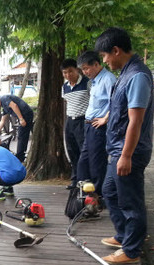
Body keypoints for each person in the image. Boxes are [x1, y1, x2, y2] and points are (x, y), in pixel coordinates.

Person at [95, 27, 154, 265]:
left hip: (129, 151)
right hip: (118, 149)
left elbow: (136, 120)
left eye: (105, 56)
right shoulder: (127, 73)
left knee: (131, 202)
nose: (106, 61)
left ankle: (131, 250)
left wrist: (127, 155)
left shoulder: (137, 75)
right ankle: (123, 236)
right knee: (109, 191)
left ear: (116, 51)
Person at [76, 51, 117, 197]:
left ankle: (99, 195)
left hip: (99, 127)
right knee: (84, 161)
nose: (85, 72)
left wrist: (105, 118)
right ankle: (84, 192)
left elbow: (116, 103)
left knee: (97, 163)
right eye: (83, 70)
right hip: (89, 125)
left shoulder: (108, 79)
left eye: (87, 68)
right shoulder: (94, 81)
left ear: (96, 64)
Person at [61, 58, 91, 190]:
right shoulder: (65, 87)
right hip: (70, 122)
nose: (68, 75)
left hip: (83, 121)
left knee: (83, 152)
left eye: (70, 71)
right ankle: (75, 179)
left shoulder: (87, 83)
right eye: (65, 72)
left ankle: (85, 179)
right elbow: (68, 103)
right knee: (72, 151)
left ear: (77, 70)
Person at [0, 94, 34, 162]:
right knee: (23, 135)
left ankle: (20, 156)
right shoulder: (4, 106)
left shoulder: (4, 99)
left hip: (26, 114)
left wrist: (21, 119)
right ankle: (21, 155)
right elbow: (2, 121)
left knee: (21, 135)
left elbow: (14, 105)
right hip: (24, 116)